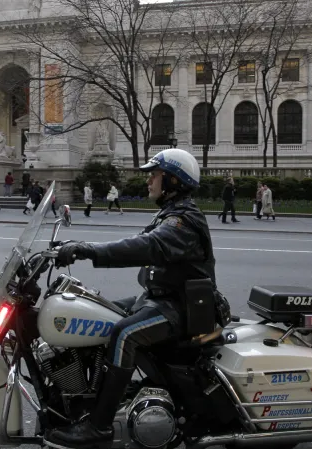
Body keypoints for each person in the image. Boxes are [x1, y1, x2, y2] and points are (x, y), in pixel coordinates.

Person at [46, 149, 217, 448]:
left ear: (173, 181)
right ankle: (87, 398)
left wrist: (86, 249)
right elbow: (139, 243)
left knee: (123, 333)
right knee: (95, 310)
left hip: (180, 308)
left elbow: (144, 246)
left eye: (155, 175)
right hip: (160, 299)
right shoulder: (170, 213)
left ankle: (98, 427)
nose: (149, 180)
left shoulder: (183, 221)